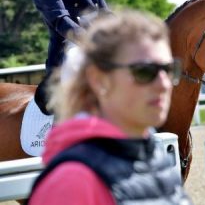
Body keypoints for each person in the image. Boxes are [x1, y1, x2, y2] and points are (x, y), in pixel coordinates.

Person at [27, 12, 192, 204]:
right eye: (145, 71)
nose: (164, 84)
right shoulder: (72, 182)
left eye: (168, 69)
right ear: (99, 80)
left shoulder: (158, 159)